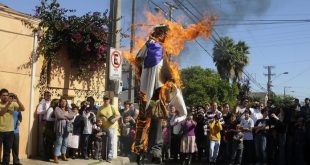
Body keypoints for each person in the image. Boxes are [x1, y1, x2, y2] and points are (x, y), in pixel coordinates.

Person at [0, 89, 25, 165]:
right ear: (0, 96)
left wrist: (17, 99)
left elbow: (22, 109)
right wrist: (8, 104)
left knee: (7, 152)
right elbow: (1, 113)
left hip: (10, 132)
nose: (6, 97)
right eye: (3, 95)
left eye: (7, 95)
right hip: (0, 131)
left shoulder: (13, 104)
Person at [97, 95, 121, 162]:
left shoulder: (112, 107)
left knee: (110, 142)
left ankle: (110, 156)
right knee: (103, 142)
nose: (106, 100)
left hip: (111, 127)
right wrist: (99, 122)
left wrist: (114, 120)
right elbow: (97, 116)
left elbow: (119, 115)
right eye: (105, 99)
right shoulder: (100, 108)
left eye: (107, 99)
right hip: (103, 127)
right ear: (103, 99)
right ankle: (104, 156)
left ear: (109, 100)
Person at [53, 97, 74, 163]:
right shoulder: (57, 108)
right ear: (60, 102)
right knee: (59, 142)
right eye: (62, 101)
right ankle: (56, 156)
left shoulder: (69, 109)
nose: (64, 102)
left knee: (65, 141)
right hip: (60, 127)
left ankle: (63, 155)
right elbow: (59, 116)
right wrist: (67, 116)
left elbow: (72, 116)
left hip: (68, 127)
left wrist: (66, 116)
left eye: (65, 101)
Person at [36, 91, 52, 159]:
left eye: (50, 95)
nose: (49, 96)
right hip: (44, 122)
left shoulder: (52, 103)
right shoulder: (42, 103)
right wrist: (46, 111)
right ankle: (42, 153)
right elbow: (38, 112)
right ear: (44, 96)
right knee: (42, 138)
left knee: (50, 139)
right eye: (47, 95)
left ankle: (49, 153)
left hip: (51, 123)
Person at [9, 93, 23, 165]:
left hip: (15, 131)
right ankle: (6, 161)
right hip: (7, 131)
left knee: (15, 147)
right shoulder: (7, 107)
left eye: (14, 98)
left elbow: (20, 117)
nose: (13, 99)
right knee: (7, 148)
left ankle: (16, 161)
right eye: (11, 98)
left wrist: (19, 121)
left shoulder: (17, 108)